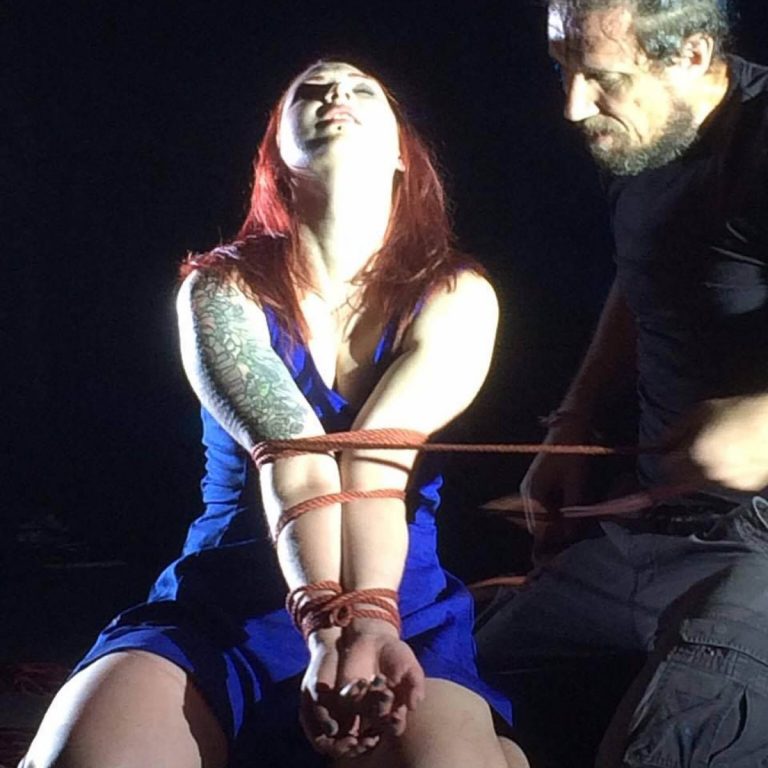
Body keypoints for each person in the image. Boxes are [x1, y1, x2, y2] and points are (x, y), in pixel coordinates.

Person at [21, 61, 528, 768]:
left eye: (360, 89)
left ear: (401, 155)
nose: (335, 95)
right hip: (223, 604)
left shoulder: (457, 294)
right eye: (311, 91)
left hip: (399, 604)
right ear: (277, 154)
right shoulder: (220, 288)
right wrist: (324, 625)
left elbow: (373, 465)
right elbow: (297, 458)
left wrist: (370, 621)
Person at [476, 1, 768, 766]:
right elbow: (647, 272)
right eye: (562, 69)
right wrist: (572, 418)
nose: (574, 106)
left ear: (692, 54)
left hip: (759, 546)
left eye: (603, 77)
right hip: (651, 525)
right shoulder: (641, 136)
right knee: (436, 690)